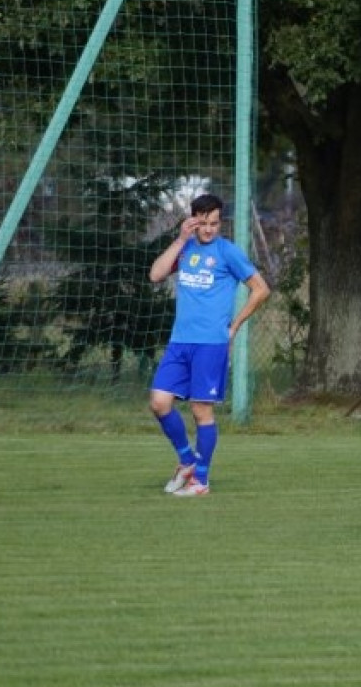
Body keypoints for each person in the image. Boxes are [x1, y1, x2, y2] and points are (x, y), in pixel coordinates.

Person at [148, 193, 270, 497]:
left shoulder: (228, 252)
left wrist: (235, 326)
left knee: (201, 411)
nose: (209, 229)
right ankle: (187, 461)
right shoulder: (185, 247)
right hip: (180, 341)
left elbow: (261, 289)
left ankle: (200, 480)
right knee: (159, 402)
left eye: (214, 223)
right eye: (203, 223)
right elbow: (156, 274)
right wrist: (179, 240)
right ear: (193, 220)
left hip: (211, 344)